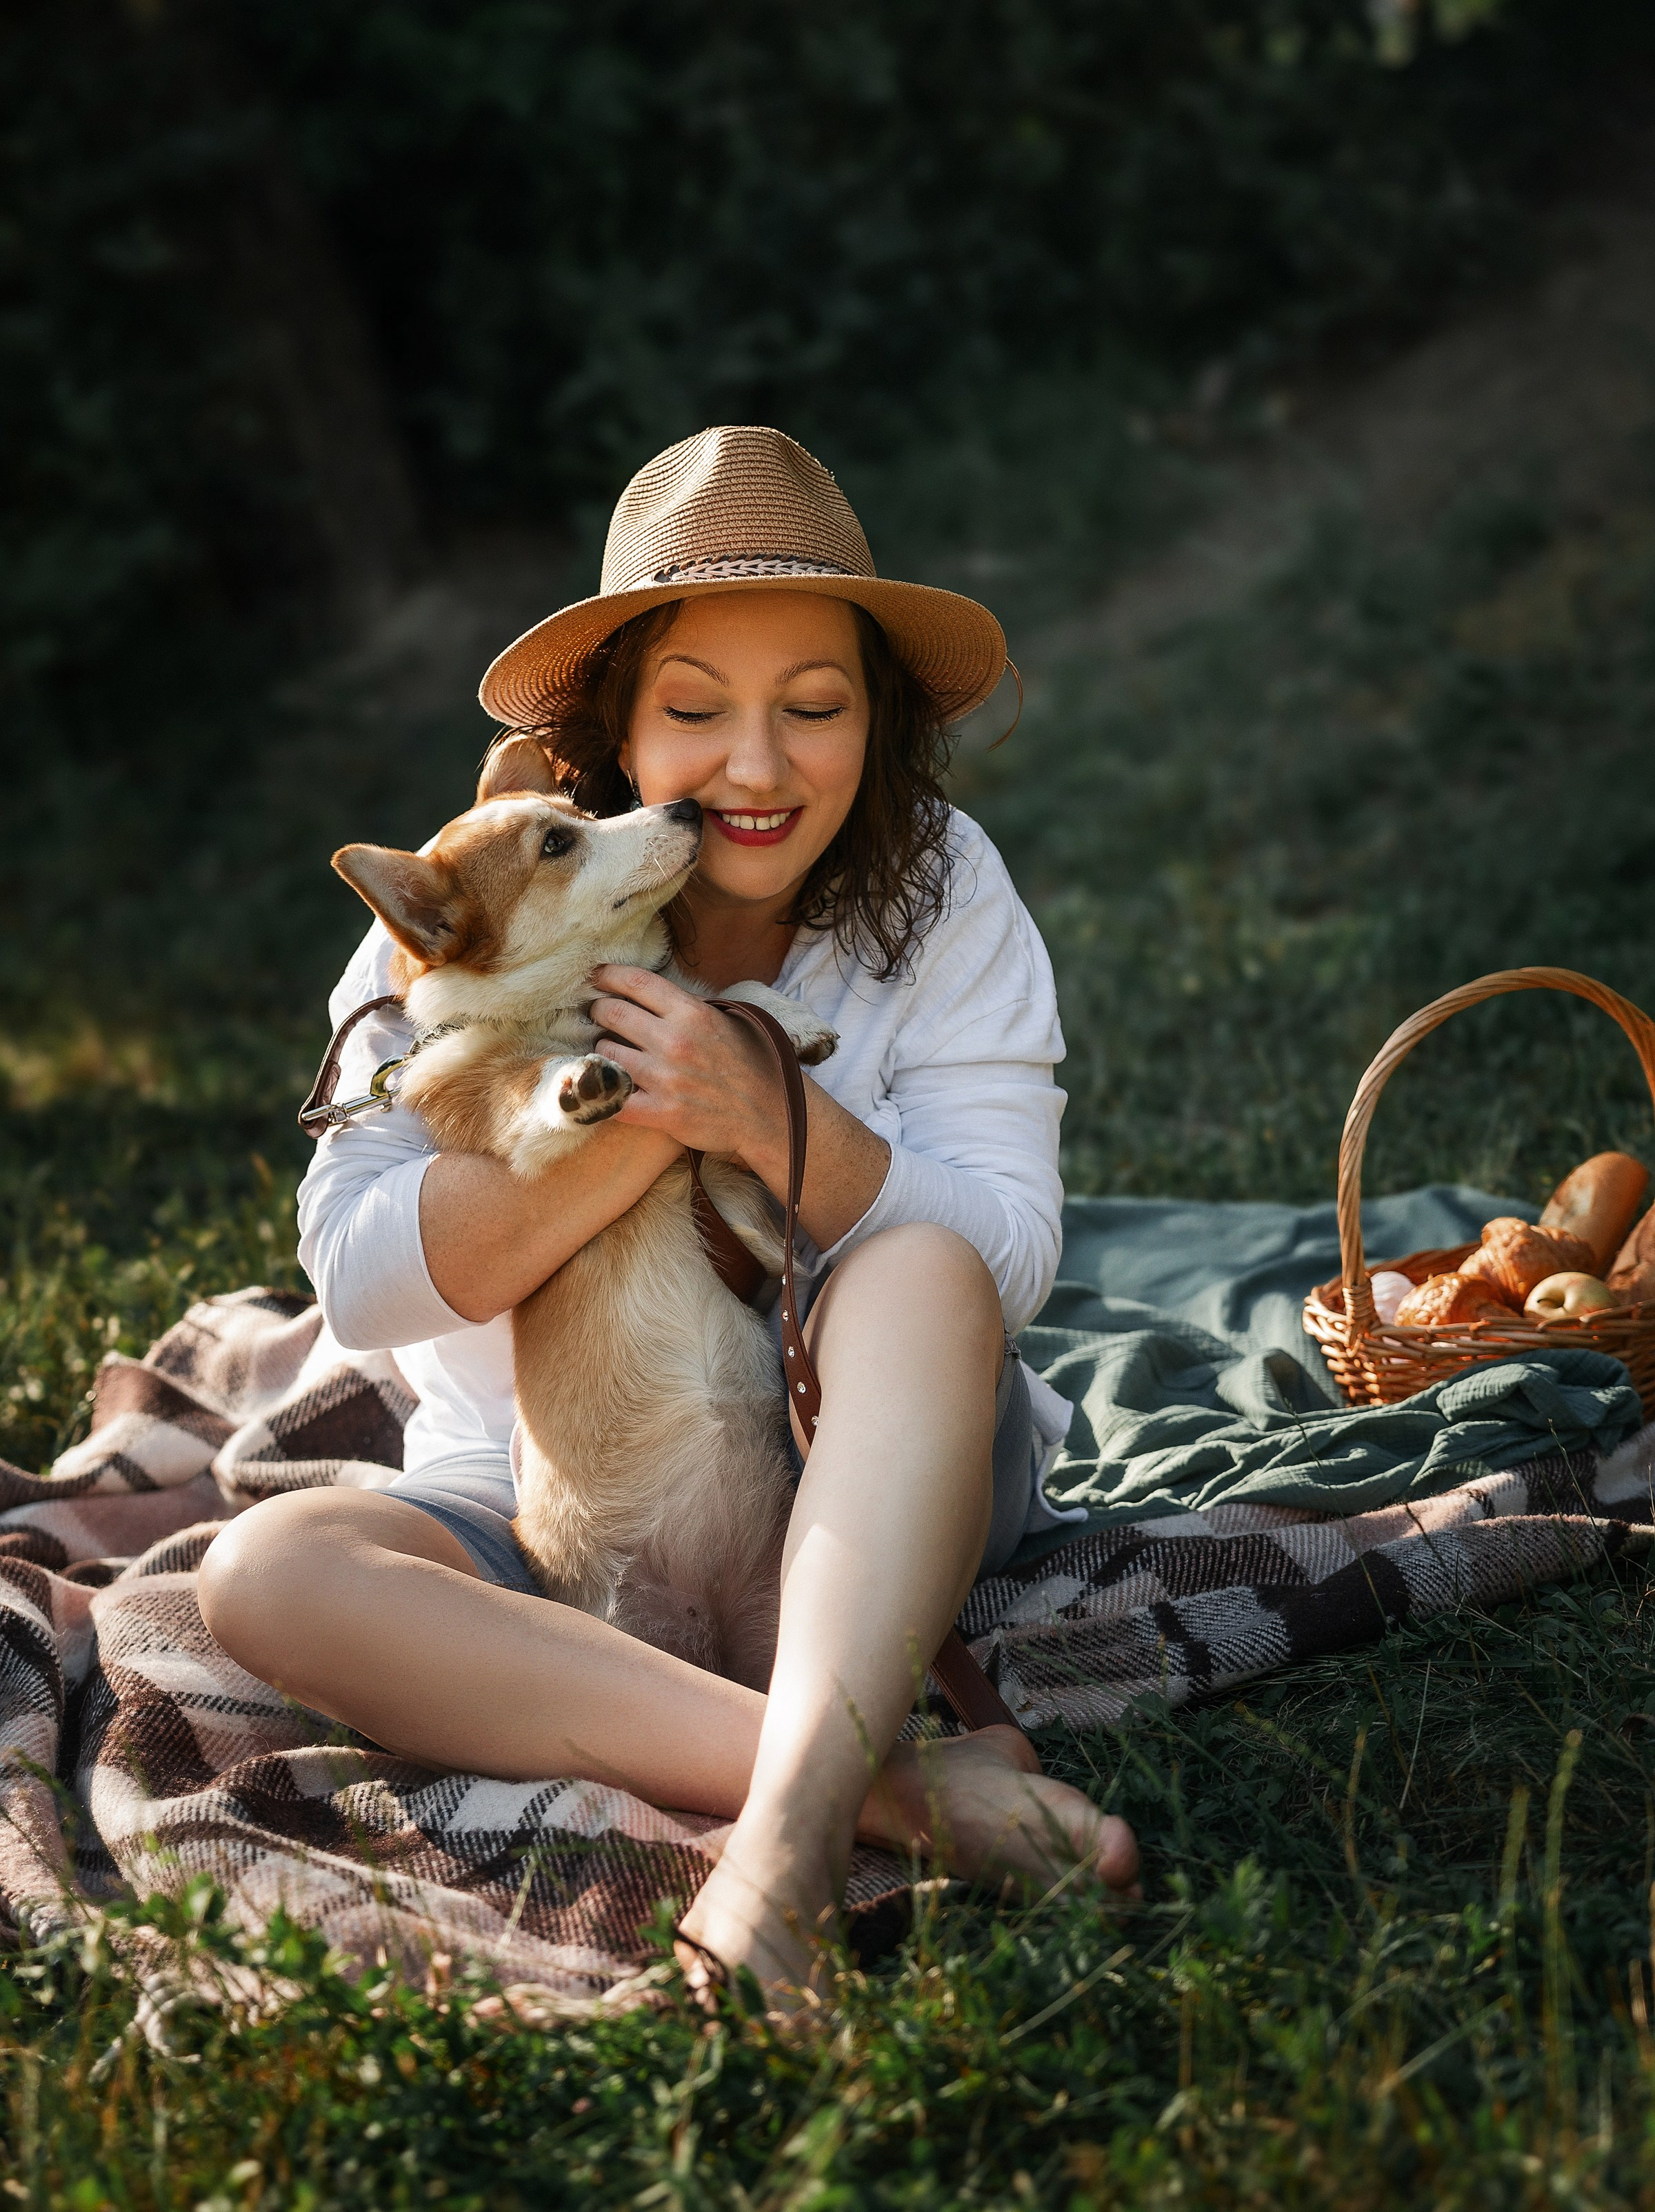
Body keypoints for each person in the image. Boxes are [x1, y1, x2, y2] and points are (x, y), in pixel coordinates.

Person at [199, 425, 1139, 2005]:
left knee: (919, 1263)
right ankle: (889, 1787)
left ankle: (777, 1854)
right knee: (263, 1575)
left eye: (816, 709)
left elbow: (1009, 1261)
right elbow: (358, 1281)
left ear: (883, 719)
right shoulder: (466, 916)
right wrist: (650, 1125)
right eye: (696, 712)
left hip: (856, 1472)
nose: (756, 769)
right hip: (539, 1518)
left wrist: (776, 1120)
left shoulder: (947, 891)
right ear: (618, 731)